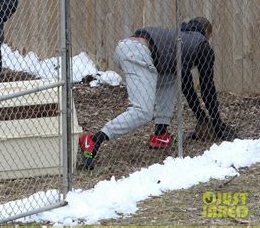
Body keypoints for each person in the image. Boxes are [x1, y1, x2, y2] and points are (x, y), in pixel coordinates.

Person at [79, 17, 238, 170]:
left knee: (171, 78)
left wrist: (202, 118)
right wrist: (217, 124)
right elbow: (207, 87)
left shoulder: (180, 41)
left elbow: (187, 87)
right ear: (207, 34)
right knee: (142, 111)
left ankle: (160, 134)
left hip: (131, 47)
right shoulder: (202, 46)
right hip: (137, 52)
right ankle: (94, 140)